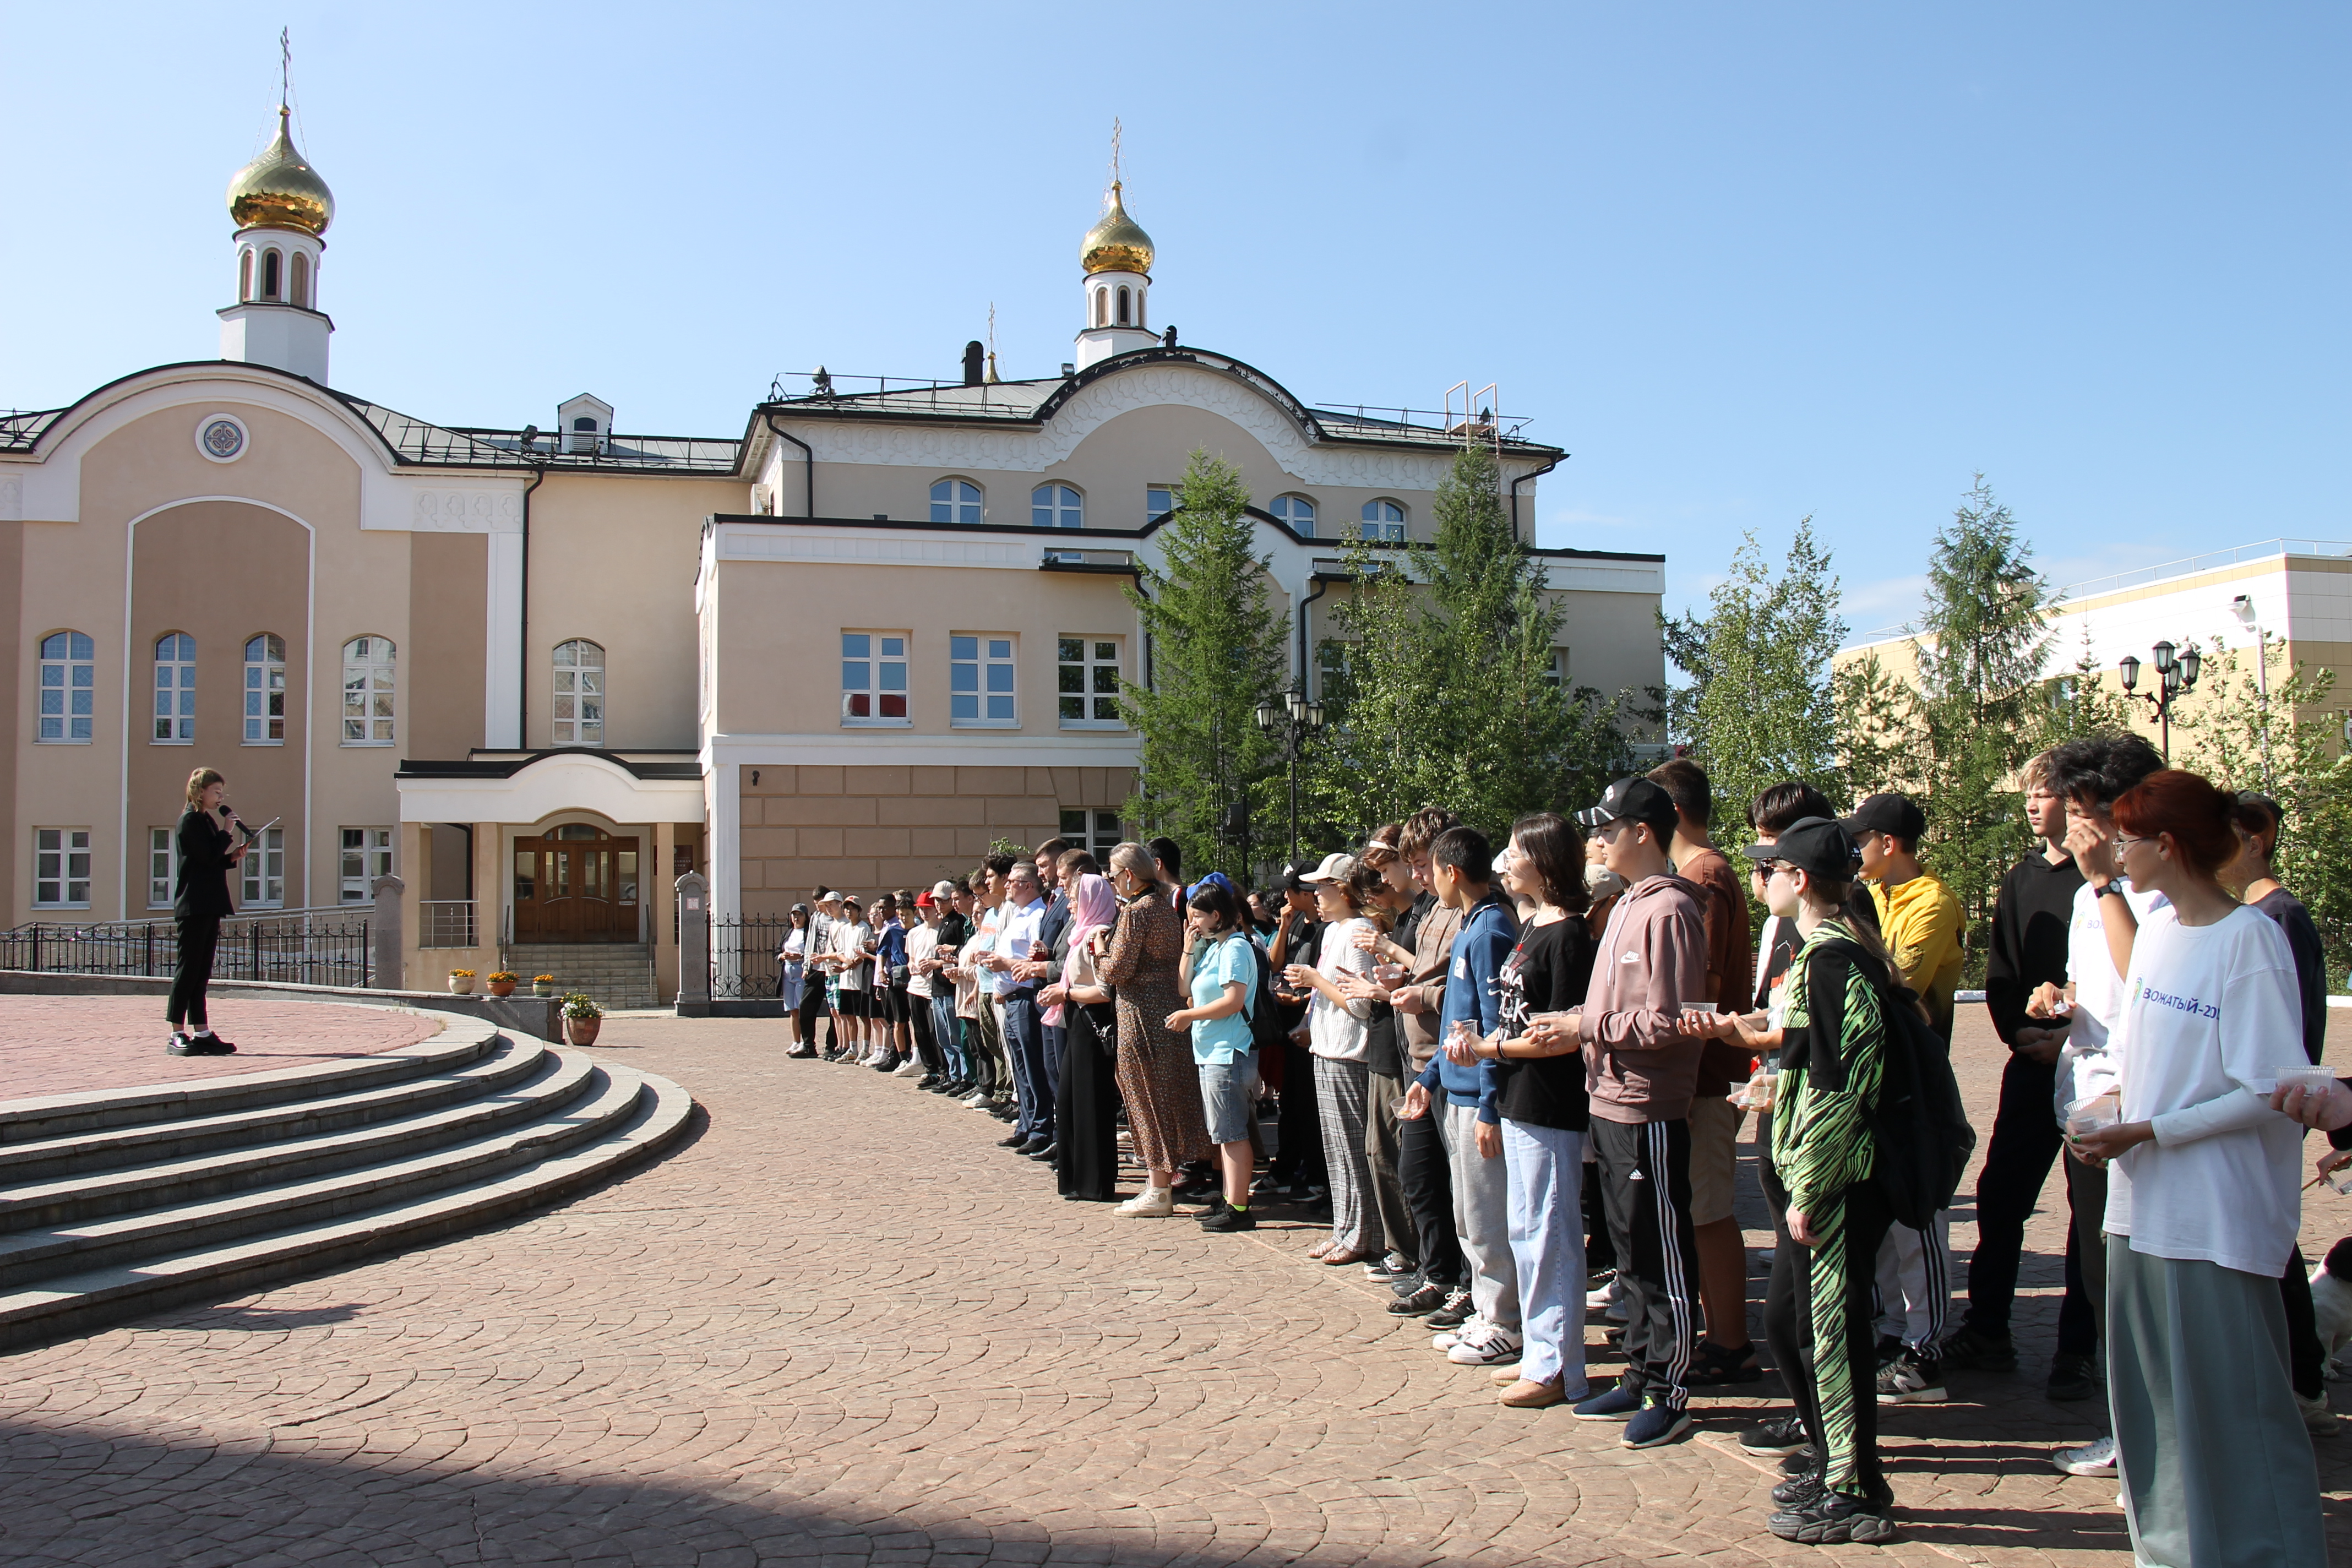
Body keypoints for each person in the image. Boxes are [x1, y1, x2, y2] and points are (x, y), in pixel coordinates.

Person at [2067, 769, 2325, 1567]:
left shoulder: (2248, 939)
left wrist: (2148, 1129)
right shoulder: (2163, 935)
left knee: (2236, 1414)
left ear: (2166, 846)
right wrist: (2108, 1107)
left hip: (2215, 1219)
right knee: (2156, 1415)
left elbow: (2269, 1089)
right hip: (2141, 1209)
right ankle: (2171, 1554)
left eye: (2126, 836)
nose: (2115, 849)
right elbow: (2142, 1058)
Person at [1719, 815, 1903, 1544]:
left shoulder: (1830, 960)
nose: (1762, 879)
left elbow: (1839, 1085)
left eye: (1772, 869)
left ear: (1800, 880)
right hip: (1829, 1174)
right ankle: (1837, 1467)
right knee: (1807, 1325)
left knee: (1835, 1333)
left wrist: (1812, 1188)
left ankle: (1856, 1487)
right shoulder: (1833, 953)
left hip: (1838, 1180)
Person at [1547, 776, 1706, 1450]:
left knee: (1658, 1250)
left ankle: (1672, 1389)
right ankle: (1641, 1370)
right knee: (1629, 1248)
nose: (1598, 840)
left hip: (1649, 1106)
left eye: (1608, 829)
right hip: (1610, 1100)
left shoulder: (1669, 909)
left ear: (1642, 832)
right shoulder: (1628, 905)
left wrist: (1588, 1026)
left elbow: (1668, 1021)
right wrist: (1579, 1021)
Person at [2030, 732, 2167, 1478]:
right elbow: (2102, 987)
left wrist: (2110, 885)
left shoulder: (2146, 891)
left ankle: (2155, 1442)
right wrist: (2060, 998)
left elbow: (2146, 980)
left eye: (2090, 813)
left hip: (2140, 1109)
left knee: (2141, 1281)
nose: (2077, 829)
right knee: (2100, 1275)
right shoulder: (2090, 894)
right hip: (2086, 1101)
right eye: (2073, 811)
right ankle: (2127, 1432)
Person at [1940, 754, 2099, 1397]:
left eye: (2043, 794)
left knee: (2087, 1213)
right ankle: (1988, 1330)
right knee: (2002, 1196)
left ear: (2075, 802)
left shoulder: (2101, 886)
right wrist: (2022, 1033)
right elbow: (2001, 971)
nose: (2032, 805)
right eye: (2028, 794)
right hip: (2030, 1063)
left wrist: (2066, 1036)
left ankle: (2077, 1351)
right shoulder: (2021, 877)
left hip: (2090, 1066)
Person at [1455, 813, 1597, 1411]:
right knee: (1525, 1230)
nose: (1505, 862)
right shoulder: (1533, 926)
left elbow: (1562, 1033)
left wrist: (1489, 1048)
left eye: (1515, 852)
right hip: (1519, 1098)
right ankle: (1539, 1350)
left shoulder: (1568, 935)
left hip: (1550, 1101)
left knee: (1550, 1233)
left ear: (1543, 860)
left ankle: (1560, 1364)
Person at [1843, 791, 1962, 1404]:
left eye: (1859, 839)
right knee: (1885, 1219)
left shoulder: (1932, 901)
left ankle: (1929, 1346)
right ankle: (1894, 1331)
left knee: (1920, 1216)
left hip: (1916, 1078)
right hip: (1874, 1077)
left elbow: (1898, 981)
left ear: (1889, 844)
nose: (1853, 850)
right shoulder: (1874, 897)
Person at [2224, 792, 2338, 1431]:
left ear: (2257, 838)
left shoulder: (2280, 916)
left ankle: (2304, 1382)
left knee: (2274, 1245)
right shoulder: (2253, 915)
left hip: (2275, 1105)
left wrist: (2301, 1102)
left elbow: (2291, 1029)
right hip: (2268, 1103)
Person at [1648, 758, 1760, 1386]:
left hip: (1708, 1074)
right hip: (1693, 1073)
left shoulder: (1706, 874)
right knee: (1696, 1206)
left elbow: (1703, 982)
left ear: (1673, 813)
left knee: (1711, 1210)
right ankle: (1708, 1329)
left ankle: (1731, 1341)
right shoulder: (1690, 873)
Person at [1404, 825, 1522, 1369]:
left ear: (1453, 872)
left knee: (1485, 1213)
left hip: (1479, 1096)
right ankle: (1484, 1304)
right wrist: (1429, 1080)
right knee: (1466, 1211)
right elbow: (1459, 1015)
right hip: (1456, 1088)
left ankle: (1503, 1319)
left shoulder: (1491, 928)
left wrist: (1492, 1103)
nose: (1428, 882)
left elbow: (1495, 1024)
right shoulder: (1475, 924)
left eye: (1433, 871)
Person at [1099, 842, 1214, 1216]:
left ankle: (1158, 1186)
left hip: (1140, 1016)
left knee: (1146, 1097)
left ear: (1129, 876)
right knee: (1164, 1095)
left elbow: (1117, 970)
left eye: (1114, 875)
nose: (1112, 882)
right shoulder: (1164, 906)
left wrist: (1100, 950)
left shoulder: (1137, 912)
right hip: (1164, 1010)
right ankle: (1164, 1181)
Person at [1286, 852, 1383, 1267]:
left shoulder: (1358, 930)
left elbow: (1359, 1005)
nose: (1316, 894)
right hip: (1327, 1049)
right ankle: (1345, 1227)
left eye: (1323, 886)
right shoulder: (1334, 931)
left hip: (1348, 1053)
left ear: (1344, 890)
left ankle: (1363, 1233)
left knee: (1351, 1146)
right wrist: (1308, 1011)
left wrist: (1314, 981)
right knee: (1335, 1148)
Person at [1168, 881, 1261, 1232]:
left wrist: (1189, 1016)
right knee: (1222, 1131)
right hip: (1210, 1050)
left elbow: (1233, 1001)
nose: (1191, 921)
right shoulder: (1214, 948)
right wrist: (1188, 949)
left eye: (1196, 915)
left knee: (1233, 1131)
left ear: (1216, 916)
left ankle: (1239, 1206)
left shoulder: (1236, 948)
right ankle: (1229, 1198)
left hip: (1229, 1050)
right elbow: (1183, 988)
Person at [1350, 842, 1422, 1283]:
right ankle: (1405, 1248)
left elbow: (1435, 977)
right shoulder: (1412, 917)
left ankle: (1414, 1252)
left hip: (1405, 1053)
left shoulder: (1419, 915)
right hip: (1388, 1047)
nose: (1376, 896)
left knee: (1400, 1156)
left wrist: (1385, 960)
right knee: (1381, 1151)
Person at [1044, 869, 1120, 1201]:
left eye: (1076, 900)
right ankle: (1077, 1177)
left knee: (1091, 1102)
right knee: (1071, 1099)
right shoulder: (1082, 933)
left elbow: (1105, 990)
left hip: (1092, 1023)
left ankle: (1095, 1181)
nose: (1071, 906)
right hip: (1078, 1024)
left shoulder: (1099, 933)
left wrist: (1067, 995)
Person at [167, 767, 249, 1055]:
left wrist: (232, 857)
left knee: (202, 971)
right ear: (200, 791)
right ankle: (177, 1032)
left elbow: (212, 860)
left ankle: (201, 1030)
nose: (220, 797)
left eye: (222, 792)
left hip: (210, 902)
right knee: (188, 969)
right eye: (216, 792)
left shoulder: (206, 821)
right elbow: (203, 856)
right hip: (193, 904)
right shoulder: (189, 821)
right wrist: (227, 831)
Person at [993, 862, 1054, 1157]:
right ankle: (1027, 1124)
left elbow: (1035, 962)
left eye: (1013, 882)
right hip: (1012, 998)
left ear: (1028, 886)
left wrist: (1003, 965)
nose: (1007, 886)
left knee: (1033, 1065)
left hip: (1028, 997)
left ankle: (1042, 1128)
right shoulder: (1018, 914)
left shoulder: (1037, 915)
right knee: (1020, 1065)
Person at [779, 903, 815, 1058]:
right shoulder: (788, 933)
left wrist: (800, 957)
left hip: (801, 970)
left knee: (801, 1006)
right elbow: (777, 951)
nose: (796, 918)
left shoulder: (807, 934)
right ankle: (795, 1040)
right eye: (794, 915)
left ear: (806, 917)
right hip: (788, 970)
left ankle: (805, 1042)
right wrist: (782, 956)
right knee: (792, 1008)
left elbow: (811, 952)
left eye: (799, 915)